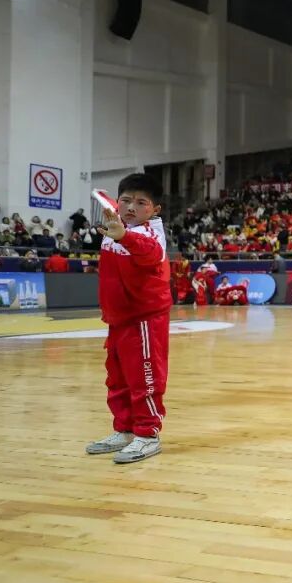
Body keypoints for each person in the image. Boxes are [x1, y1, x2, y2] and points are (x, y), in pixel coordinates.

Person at [87, 173, 172, 464]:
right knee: (118, 378)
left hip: (144, 318)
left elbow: (151, 254)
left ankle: (148, 434)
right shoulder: (117, 222)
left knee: (144, 377)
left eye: (141, 203)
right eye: (126, 201)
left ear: (155, 209)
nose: (131, 207)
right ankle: (124, 430)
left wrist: (123, 236)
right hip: (118, 317)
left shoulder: (151, 233)